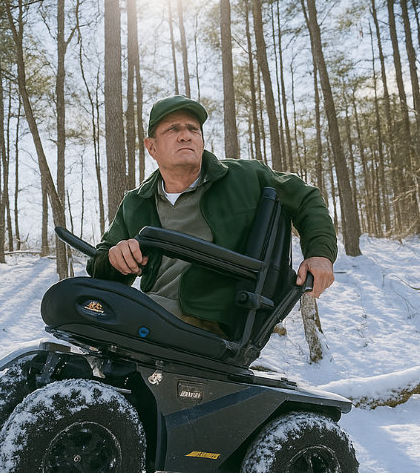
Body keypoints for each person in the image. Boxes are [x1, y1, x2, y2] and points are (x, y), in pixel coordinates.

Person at [88, 94, 338, 336]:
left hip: (210, 320)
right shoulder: (136, 202)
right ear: (152, 147)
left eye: (193, 129)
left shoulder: (245, 177)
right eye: (173, 129)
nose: (185, 135)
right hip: (150, 311)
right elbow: (99, 267)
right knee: (70, 302)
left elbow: (306, 197)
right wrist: (114, 258)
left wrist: (320, 254)